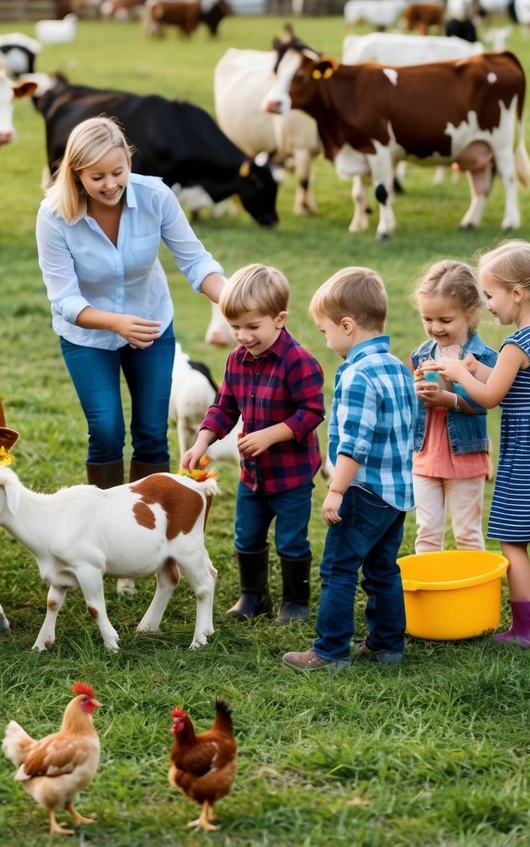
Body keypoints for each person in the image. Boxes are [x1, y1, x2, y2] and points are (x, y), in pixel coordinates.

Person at [35, 116, 225, 491]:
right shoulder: (53, 216)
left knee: (152, 431)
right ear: (76, 175)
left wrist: (234, 299)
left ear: (130, 164)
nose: (110, 184)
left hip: (152, 325)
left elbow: (195, 260)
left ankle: (148, 526)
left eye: (117, 172)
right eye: (97, 177)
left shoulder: (156, 197)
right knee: (106, 429)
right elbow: (64, 299)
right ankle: (108, 520)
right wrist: (115, 323)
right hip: (86, 336)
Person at [438, 240, 530, 648]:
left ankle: (525, 631)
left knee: (512, 537)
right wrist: (478, 367)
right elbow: (518, 385)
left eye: (490, 295)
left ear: (517, 294)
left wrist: (458, 371)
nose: (487, 304)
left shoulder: (516, 345)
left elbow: (489, 398)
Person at [283, 267, 418, 671]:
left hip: (361, 491)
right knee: (382, 570)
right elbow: (416, 429)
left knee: (338, 568)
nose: (324, 340)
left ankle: (330, 651)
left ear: (347, 325)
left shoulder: (357, 375)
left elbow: (355, 444)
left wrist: (337, 489)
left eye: (325, 331)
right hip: (397, 494)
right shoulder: (397, 367)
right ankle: (386, 646)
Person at [181, 264, 325, 625]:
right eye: (235, 327)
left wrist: (271, 434)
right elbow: (224, 406)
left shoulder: (300, 363)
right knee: (246, 535)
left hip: (291, 476)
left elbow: (312, 413)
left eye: (252, 326)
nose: (242, 336)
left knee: (291, 541)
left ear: (279, 319)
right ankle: (252, 596)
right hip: (254, 475)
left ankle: (295, 602)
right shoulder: (236, 361)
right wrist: (202, 442)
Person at [410, 260, 498, 553]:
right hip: (426, 454)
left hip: (466, 455)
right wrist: (416, 391)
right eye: (427, 319)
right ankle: (430, 594)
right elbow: (415, 404)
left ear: (471, 314)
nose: (435, 328)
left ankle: (472, 596)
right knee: (427, 532)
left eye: (445, 320)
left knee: (467, 534)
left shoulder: (484, 357)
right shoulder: (421, 354)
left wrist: (448, 399)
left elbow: (485, 401)